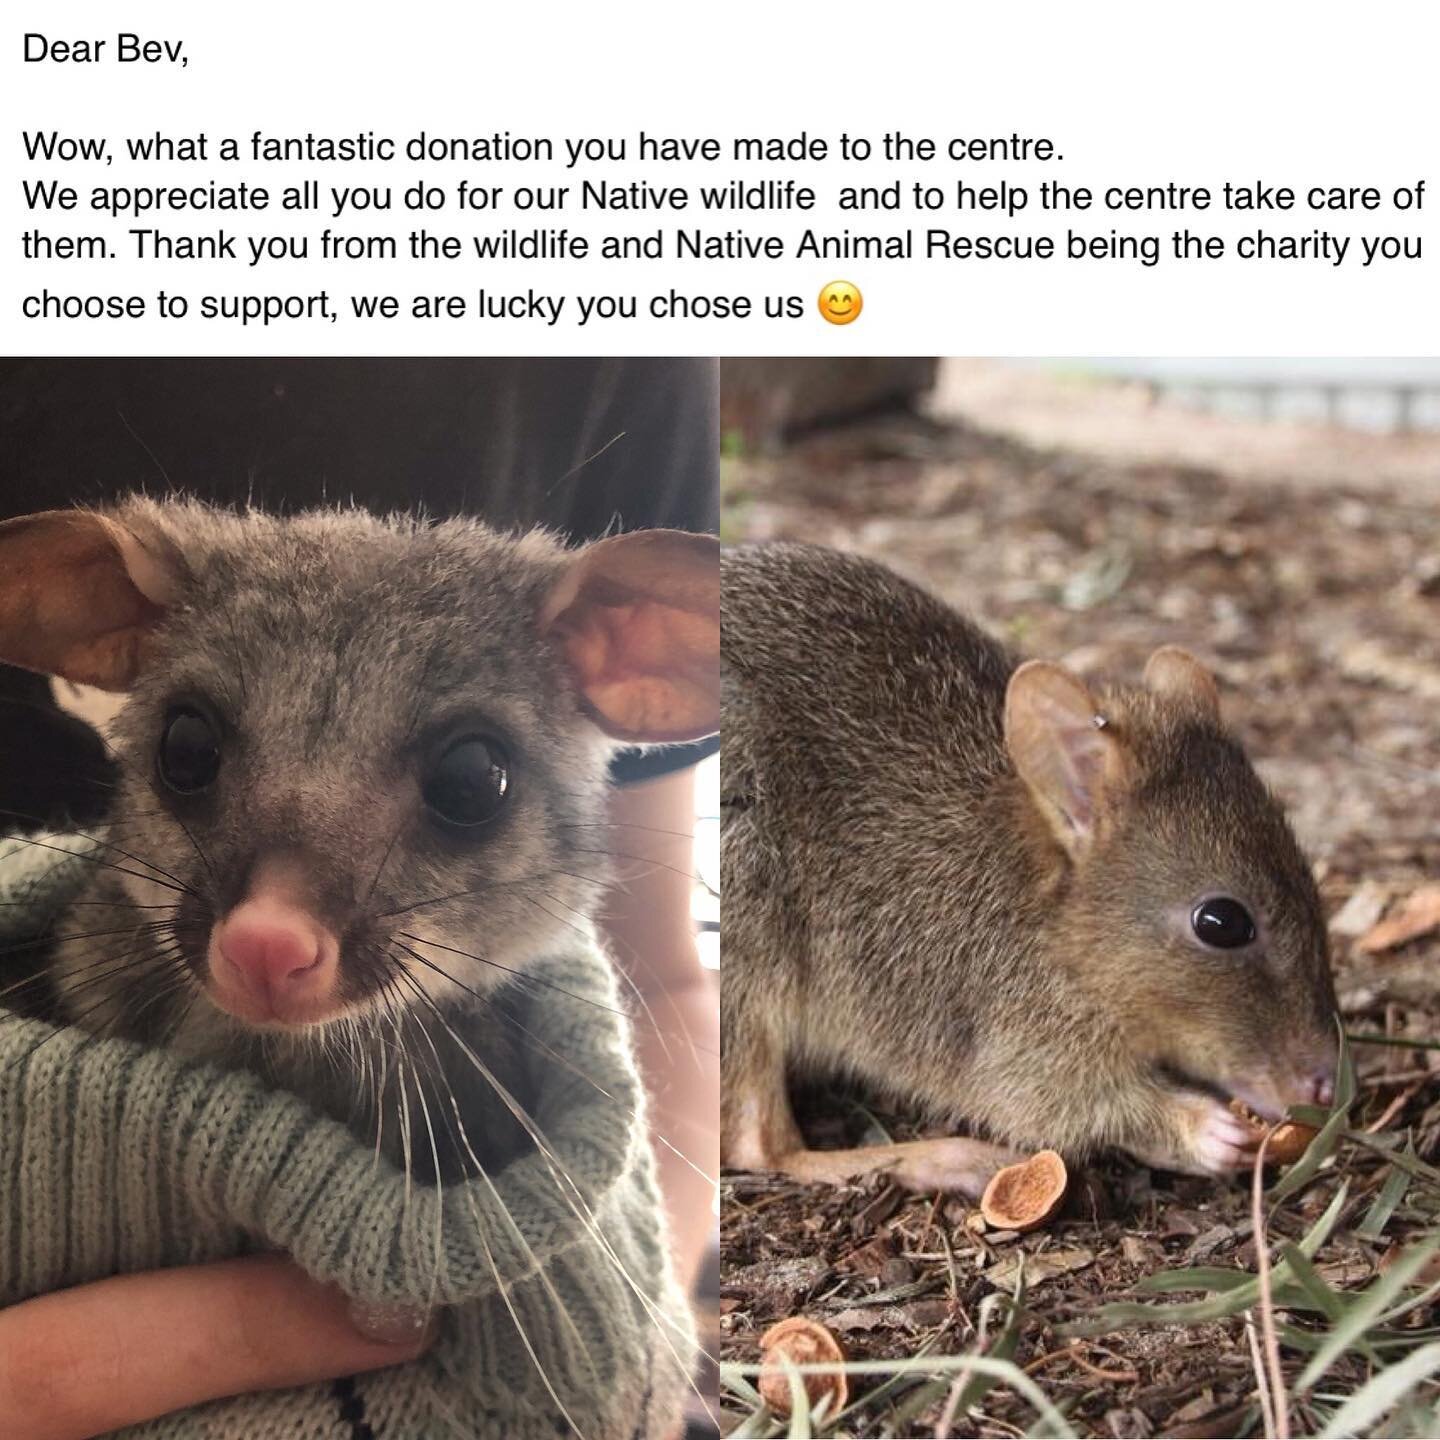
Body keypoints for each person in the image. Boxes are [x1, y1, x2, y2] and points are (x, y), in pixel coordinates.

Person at [0, 358, 720, 1435]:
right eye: (193, 757)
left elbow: (661, 971)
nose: (266, 930)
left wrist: (618, 1337)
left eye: (462, 787)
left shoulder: (630, 362)